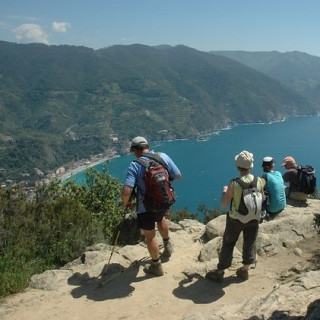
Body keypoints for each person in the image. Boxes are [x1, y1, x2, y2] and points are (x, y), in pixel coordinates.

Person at [121, 136, 182, 276]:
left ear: (135, 150)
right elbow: (178, 175)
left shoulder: (135, 165)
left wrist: (126, 203)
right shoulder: (162, 156)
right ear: (147, 146)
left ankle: (156, 265)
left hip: (146, 206)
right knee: (161, 219)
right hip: (164, 200)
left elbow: (126, 191)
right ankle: (168, 246)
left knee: (150, 236)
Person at [206, 150, 265, 282]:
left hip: (236, 218)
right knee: (250, 242)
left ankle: (220, 271)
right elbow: (262, 197)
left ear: (238, 166)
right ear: (251, 166)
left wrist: (224, 191)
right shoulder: (259, 181)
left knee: (229, 243)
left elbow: (224, 203)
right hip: (254, 217)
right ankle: (245, 269)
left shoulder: (234, 183)